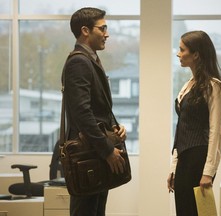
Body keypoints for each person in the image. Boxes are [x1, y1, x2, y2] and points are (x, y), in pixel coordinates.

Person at [62, 7, 127, 216]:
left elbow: (96, 110)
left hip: (93, 152)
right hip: (89, 153)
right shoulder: (79, 62)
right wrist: (107, 150)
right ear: (85, 30)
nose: (107, 33)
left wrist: (114, 128)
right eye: (103, 28)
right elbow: (82, 113)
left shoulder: (90, 60)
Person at [167, 30, 221, 216]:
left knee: (197, 213)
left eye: (182, 49)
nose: (178, 53)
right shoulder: (188, 84)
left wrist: (209, 171)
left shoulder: (213, 85)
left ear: (196, 54)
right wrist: (173, 167)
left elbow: (216, 131)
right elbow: (181, 128)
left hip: (199, 158)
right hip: (184, 158)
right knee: (184, 212)